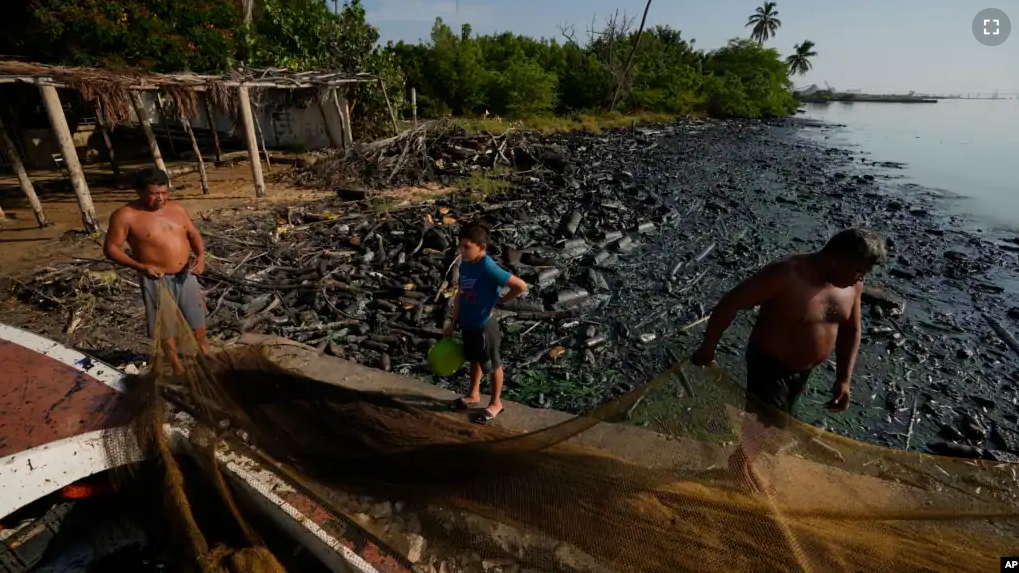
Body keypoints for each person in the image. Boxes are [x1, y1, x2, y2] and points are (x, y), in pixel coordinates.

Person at [690, 228, 887, 491]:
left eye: (865, 273)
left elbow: (851, 330)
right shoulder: (787, 274)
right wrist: (709, 347)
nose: (861, 278)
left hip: (804, 370)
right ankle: (740, 472)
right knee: (766, 425)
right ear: (836, 260)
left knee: (776, 426)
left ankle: (741, 464)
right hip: (770, 364)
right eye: (858, 270)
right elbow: (730, 303)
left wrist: (844, 378)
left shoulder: (853, 284)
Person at [103, 167, 207, 375]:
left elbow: (193, 234)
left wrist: (201, 256)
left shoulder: (177, 208)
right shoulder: (126, 215)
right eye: (154, 194)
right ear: (139, 191)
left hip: (186, 274)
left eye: (164, 192)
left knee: (197, 319)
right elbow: (111, 249)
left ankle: (204, 355)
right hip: (156, 279)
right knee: (165, 326)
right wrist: (141, 267)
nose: (161, 198)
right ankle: (177, 367)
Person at [443, 220, 528, 425]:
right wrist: (453, 321)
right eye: (460, 246)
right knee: (474, 359)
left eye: (467, 247)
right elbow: (461, 294)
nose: (462, 251)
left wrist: (500, 301)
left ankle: (496, 402)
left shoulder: (488, 267)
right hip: (468, 323)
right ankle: (473, 394)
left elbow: (520, 286)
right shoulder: (465, 264)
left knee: (492, 364)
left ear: (481, 247)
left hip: (484, 326)